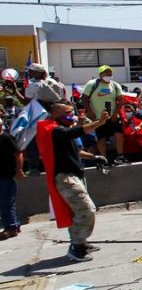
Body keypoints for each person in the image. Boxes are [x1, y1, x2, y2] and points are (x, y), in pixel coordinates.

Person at [36, 101, 110, 261]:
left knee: (77, 211)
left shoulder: (61, 131)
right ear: (55, 114)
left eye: (72, 112)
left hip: (74, 175)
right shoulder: (54, 130)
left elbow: (76, 151)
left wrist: (94, 157)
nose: (72, 115)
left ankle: (80, 242)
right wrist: (100, 122)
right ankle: (76, 246)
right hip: (66, 178)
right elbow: (79, 131)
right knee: (86, 209)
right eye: (67, 113)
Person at [81, 66, 127, 164]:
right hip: (97, 117)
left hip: (112, 116)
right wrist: (90, 112)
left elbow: (121, 100)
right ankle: (103, 159)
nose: (108, 75)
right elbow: (84, 98)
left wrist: (115, 114)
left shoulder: (115, 85)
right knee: (100, 138)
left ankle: (120, 156)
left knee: (119, 134)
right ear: (100, 74)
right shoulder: (92, 84)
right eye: (106, 73)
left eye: (110, 73)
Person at [0, 120, 23, 239]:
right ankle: (15, 224)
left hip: (8, 175)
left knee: (6, 203)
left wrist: (19, 170)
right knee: (4, 203)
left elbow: (18, 153)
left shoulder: (7, 138)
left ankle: (11, 227)